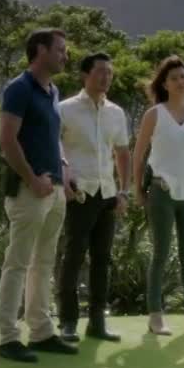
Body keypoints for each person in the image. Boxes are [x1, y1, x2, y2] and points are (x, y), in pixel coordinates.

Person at [0, 28, 80, 363]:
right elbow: (6, 139)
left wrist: (64, 171)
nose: (65, 56)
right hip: (28, 191)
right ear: (40, 50)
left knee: (43, 263)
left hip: (55, 189)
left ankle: (41, 331)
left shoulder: (53, 91)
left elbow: (52, 138)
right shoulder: (19, 88)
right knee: (17, 263)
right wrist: (31, 178)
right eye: (60, 49)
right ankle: (8, 338)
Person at [131, 55, 184, 337]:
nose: (180, 81)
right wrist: (138, 189)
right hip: (161, 191)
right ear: (164, 84)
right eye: (174, 78)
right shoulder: (154, 115)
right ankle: (156, 316)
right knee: (161, 253)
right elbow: (138, 155)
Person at [57, 52, 130, 343]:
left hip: (107, 193)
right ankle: (68, 322)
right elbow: (54, 144)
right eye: (100, 71)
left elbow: (122, 152)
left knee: (103, 259)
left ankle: (97, 323)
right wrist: (63, 178)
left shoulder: (116, 112)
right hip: (79, 193)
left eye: (109, 72)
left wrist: (123, 191)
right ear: (84, 75)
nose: (106, 77)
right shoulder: (65, 109)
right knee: (73, 256)